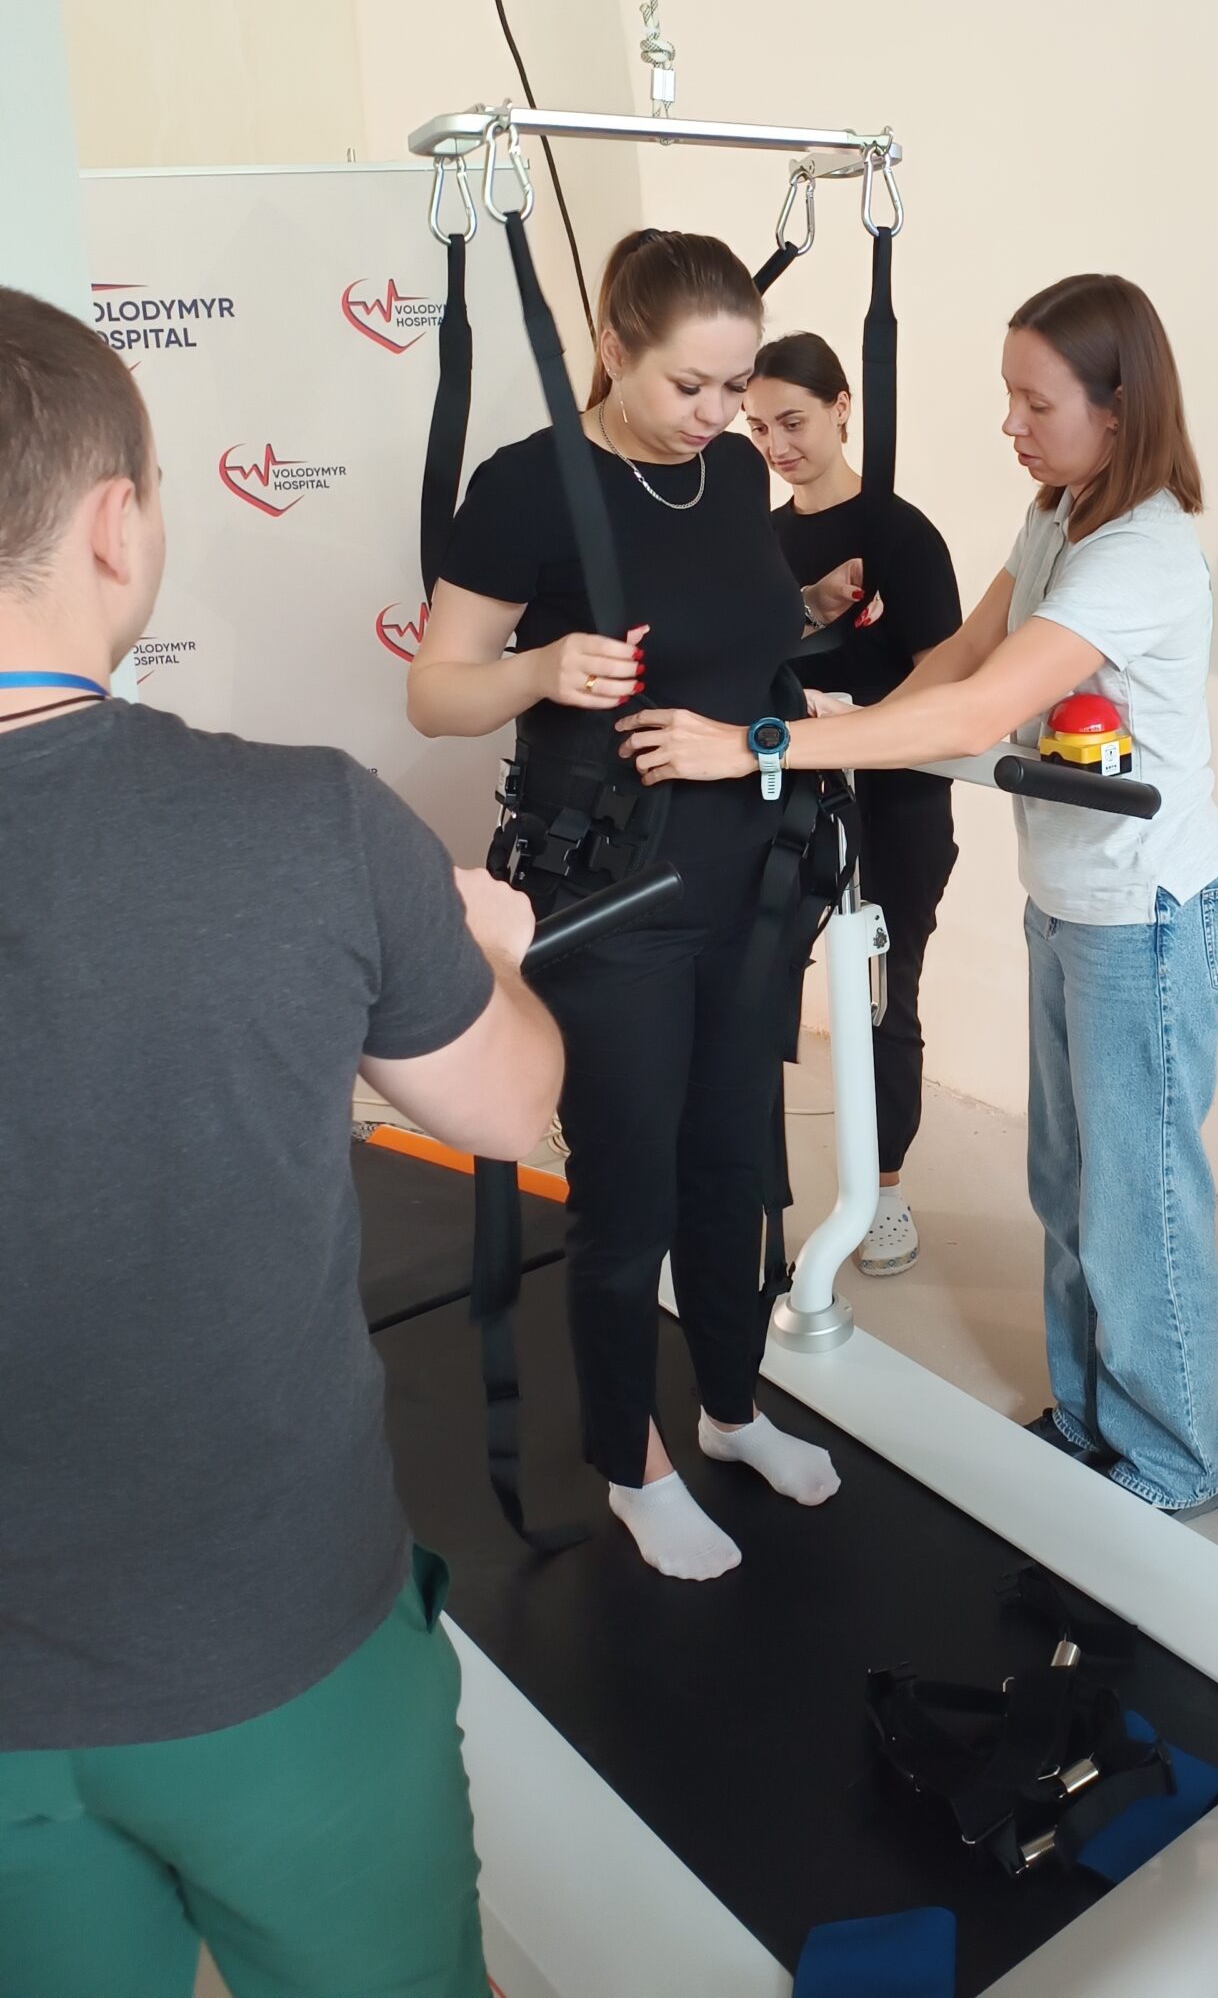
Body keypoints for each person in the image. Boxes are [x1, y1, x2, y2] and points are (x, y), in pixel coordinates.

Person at [0, 286, 564, 1998]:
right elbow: (513, 1107)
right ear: (118, 525)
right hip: (280, 1661)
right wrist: (489, 956)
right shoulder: (310, 824)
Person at [626, 274, 1218, 1518]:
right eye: (1008, 398)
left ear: (1117, 409)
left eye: (1036, 403)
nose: (1011, 425)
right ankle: (1092, 1419)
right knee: (1068, 1183)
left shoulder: (1139, 551)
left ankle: (1181, 1459)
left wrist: (759, 746)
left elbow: (977, 711)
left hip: (1152, 911)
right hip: (1073, 899)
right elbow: (961, 657)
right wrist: (828, 734)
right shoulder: (1058, 510)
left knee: (1137, 1203)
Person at [410, 228, 858, 1582]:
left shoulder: (731, 474)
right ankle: (632, 1464)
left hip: (749, 877)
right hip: (613, 895)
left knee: (734, 1168)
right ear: (611, 349)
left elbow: (733, 633)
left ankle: (728, 1407)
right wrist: (541, 668)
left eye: (737, 387)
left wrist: (805, 619)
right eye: (691, 386)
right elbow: (435, 691)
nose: (724, 416)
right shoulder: (528, 486)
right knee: (631, 1191)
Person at [745, 331, 963, 1276]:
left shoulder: (903, 536)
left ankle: (884, 1190)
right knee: (758, 985)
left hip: (896, 797)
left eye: (793, 421)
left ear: (843, 407)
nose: (777, 446)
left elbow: (945, 680)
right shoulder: (758, 540)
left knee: (883, 989)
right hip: (786, 797)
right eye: (758, 429)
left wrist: (862, 720)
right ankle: (752, 1195)